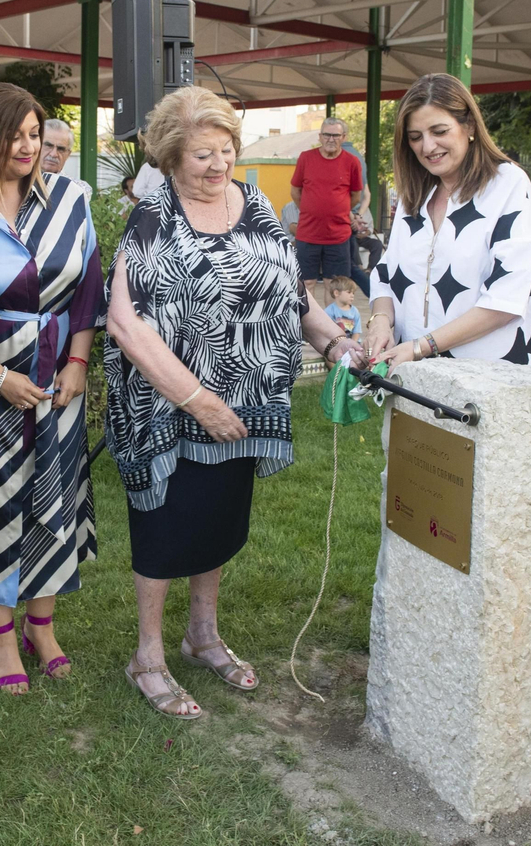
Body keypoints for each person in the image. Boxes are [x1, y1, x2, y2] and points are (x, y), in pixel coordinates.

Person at [106, 85, 362, 720]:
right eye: (201, 156)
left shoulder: (254, 205)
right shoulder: (152, 214)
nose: (218, 165)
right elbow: (125, 323)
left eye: (225, 150)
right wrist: (200, 403)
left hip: (244, 408)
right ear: (170, 158)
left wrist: (332, 344)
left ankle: (202, 635)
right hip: (169, 410)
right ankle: (148, 655)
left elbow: (287, 289)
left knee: (218, 527)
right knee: (165, 534)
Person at [0, 84, 104, 693]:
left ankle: (43, 624)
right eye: (16, 135)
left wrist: (78, 362)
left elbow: (89, 290)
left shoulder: (70, 201)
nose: (30, 146)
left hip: (59, 376)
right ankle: (1, 636)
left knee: (52, 495)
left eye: (35, 134)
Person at [363, 73, 531, 372]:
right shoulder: (415, 195)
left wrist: (420, 347)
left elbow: (506, 299)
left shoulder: (509, 185)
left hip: (494, 379)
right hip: (415, 377)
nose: (427, 146)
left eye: (439, 131)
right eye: (415, 137)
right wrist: (381, 323)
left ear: (470, 127)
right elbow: (386, 275)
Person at [290, 116, 367, 297]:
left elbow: (356, 196)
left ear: (344, 137)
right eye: (326, 135)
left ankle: (333, 326)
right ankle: (306, 326)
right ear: (319, 136)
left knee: (335, 287)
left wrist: (337, 210)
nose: (330, 139)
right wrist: (311, 210)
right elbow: (295, 192)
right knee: (305, 283)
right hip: (308, 233)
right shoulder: (305, 158)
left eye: (336, 135)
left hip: (338, 235)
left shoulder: (352, 162)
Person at [38, 118, 92, 198]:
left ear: (68, 154)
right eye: (48, 146)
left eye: (60, 149)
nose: (53, 154)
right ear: (36, 146)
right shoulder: (18, 182)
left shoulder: (79, 189)